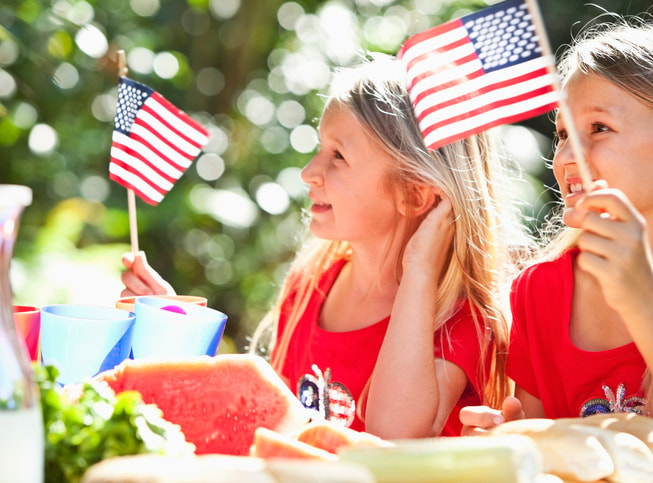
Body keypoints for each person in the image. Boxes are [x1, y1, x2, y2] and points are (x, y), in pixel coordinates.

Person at [121, 54, 531, 438]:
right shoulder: (311, 286)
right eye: (319, 149)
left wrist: (420, 268)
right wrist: (177, 332)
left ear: (414, 194)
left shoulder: (458, 316)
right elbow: (267, 423)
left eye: (337, 157)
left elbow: (392, 436)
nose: (308, 172)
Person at [458, 17, 653, 472]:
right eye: (563, 134)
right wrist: (504, 443)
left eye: (598, 128)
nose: (566, 157)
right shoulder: (538, 291)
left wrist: (644, 297)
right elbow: (547, 450)